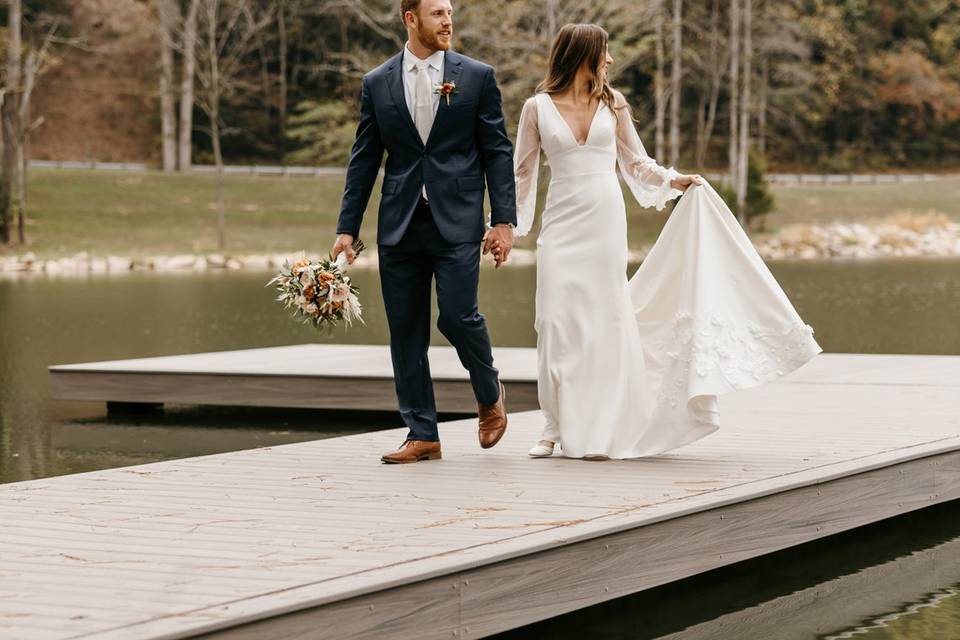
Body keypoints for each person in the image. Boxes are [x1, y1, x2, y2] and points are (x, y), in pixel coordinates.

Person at [508, 24, 822, 460]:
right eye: (605, 52)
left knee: (605, 321)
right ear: (582, 54)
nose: (611, 61)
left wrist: (674, 180)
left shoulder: (612, 103)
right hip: (561, 223)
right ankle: (552, 426)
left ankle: (602, 420)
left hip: (604, 221)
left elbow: (635, 162)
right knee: (555, 321)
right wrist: (505, 224)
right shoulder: (535, 108)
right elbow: (521, 173)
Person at [332, 0, 518, 464]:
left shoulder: (477, 76)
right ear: (410, 19)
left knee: (458, 316)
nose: (448, 21)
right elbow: (364, 159)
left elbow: (496, 150)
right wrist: (346, 229)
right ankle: (422, 433)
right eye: (437, 13)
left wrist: (503, 220)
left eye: (450, 13)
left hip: (457, 220)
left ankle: (488, 390)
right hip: (399, 223)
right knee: (406, 331)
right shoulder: (377, 82)